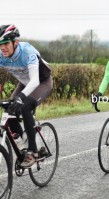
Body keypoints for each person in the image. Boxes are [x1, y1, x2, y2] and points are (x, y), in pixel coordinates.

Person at [0, 24, 53, 168]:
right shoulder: (1, 55)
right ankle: (21, 139)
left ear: (15, 42)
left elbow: (35, 80)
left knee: (25, 106)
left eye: (5, 43)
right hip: (24, 83)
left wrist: (21, 97)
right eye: (0, 44)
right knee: (9, 109)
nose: (3, 47)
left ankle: (33, 152)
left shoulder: (27, 51)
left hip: (42, 82)